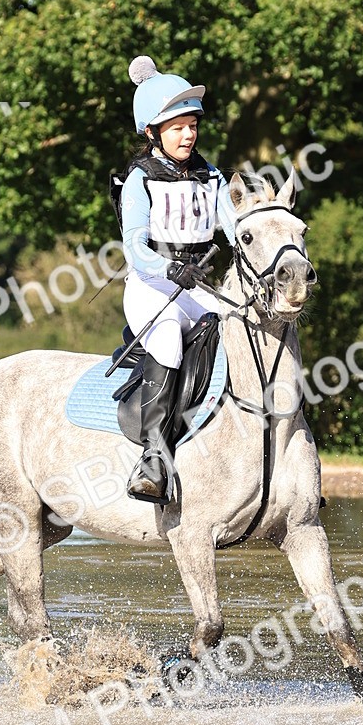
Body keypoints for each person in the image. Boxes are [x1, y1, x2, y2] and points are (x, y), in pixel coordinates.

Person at [117, 55, 237, 505]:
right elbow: (135, 248)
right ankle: (152, 458)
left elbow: (233, 225)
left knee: (248, 331)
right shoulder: (139, 180)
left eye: (192, 125)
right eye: (177, 127)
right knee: (167, 339)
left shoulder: (212, 176)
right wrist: (169, 269)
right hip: (153, 289)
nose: (188, 134)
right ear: (153, 132)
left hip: (199, 288)